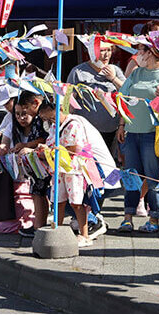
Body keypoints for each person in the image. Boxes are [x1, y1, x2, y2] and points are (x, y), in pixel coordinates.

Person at [116, 41, 159, 233]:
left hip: (153, 134)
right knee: (130, 176)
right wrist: (121, 124)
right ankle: (127, 217)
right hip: (132, 131)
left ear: (152, 53)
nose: (137, 55)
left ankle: (154, 219)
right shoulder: (136, 73)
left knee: (153, 177)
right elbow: (124, 99)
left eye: (141, 51)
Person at [38, 100, 94, 247]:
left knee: (76, 202)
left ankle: (85, 234)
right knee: (58, 201)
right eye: (46, 120)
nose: (49, 122)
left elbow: (74, 149)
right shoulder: (55, 126)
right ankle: (58, 230)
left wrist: (53, 150)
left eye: (50, 118)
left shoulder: (73, 124)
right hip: (57, 169)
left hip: (72, 168)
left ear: (59, 109)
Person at [0, 92, 48, 237]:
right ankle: (38, 224)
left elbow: (44, 139)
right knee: (36, 192)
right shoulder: (13, 124)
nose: (21, 118)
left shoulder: (40, 121)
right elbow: (4, 141)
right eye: (17, 114)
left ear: (35, 104)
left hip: (41, 166)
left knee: (39, 193)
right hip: (23, 171)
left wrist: (26, 146)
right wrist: (3, 148)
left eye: (24, 113)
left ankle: (39, 225)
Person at [66, 41, 125, 154]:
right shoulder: (78, 72)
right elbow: (69, 101)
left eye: (109, 50)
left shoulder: (115, 70)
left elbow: (128, 92)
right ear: (92, 52)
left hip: (111, 129)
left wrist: (113, 78)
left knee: (108, 164)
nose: (106, 55)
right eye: (102, 50)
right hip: (86, 131)